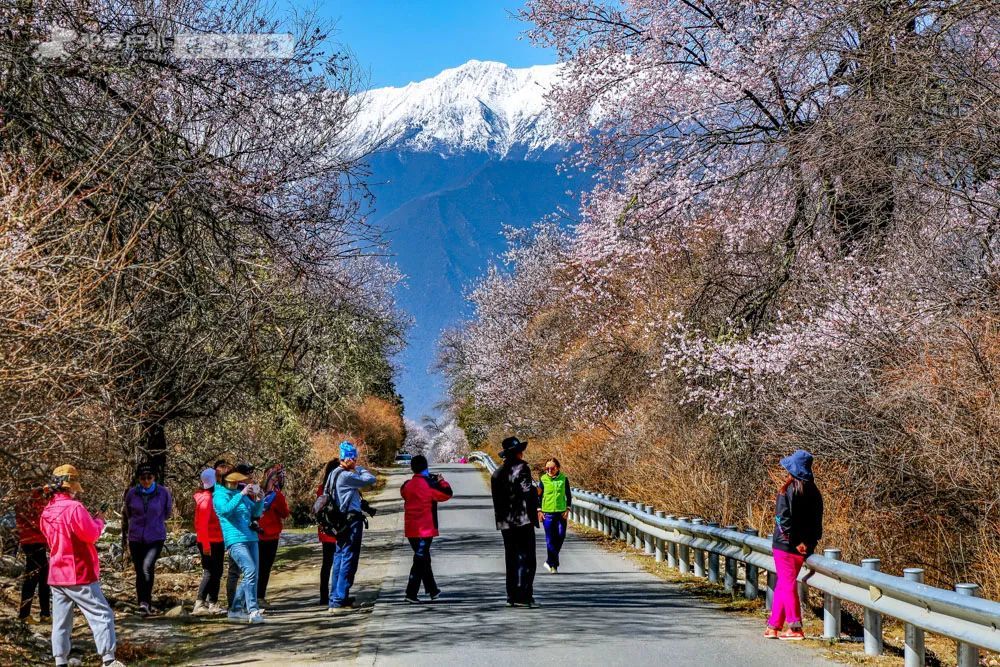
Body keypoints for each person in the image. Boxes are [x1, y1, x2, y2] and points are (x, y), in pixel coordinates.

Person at [39, 464, 125, 667]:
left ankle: (60, 660)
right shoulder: (75, 508)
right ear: (71, 486)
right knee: (102, 615)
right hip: (78, 571)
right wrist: (99, 522)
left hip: (57, 573)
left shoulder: (47, 511)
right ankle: (108, 659)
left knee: (61, 622)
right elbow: (91, 535)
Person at [764, 449, 823, 641]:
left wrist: (795, 541)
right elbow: (817, 523)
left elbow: (782, 521)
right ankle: (774, 625)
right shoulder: (814, 492)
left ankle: (795, 626)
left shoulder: (786, 491)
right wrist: (809, 543)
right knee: (784, 583)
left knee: (787, 584)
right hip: (804, 548)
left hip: (785, 546)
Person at [326, 440, 376, 612]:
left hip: (339, 522)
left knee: (339, 558)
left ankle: (336, 598)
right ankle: (339, 599)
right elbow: (370, 479)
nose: (355, 461)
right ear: (347, 459)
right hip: (350, 521)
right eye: (354, 458)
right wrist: (360, 469)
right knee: (349, 558)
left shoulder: (333, 473)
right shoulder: (347, 476)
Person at [490, 436, 539, 608]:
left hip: (505, 522)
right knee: (527, 559)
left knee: (511, 558)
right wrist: (537, 491)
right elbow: (526, 491)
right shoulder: (522, 467)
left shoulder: (496, 473)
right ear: (518, 452)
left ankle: (511, 595)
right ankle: (524, 595)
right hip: (522, 520)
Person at [400, 455, 453, 603]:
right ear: (426, 467)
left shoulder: (407, 485)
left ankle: (432, 590)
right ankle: (411, 593)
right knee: (420, 560)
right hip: (425, 529)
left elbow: (403, 491)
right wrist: (441, 481)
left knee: (423, 559)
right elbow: (447, 494)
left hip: (411, 528)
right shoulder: (430, 484)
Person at [214, 468, 265, 624]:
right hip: (235, 539)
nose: (238, 482)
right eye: (234, 480)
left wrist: (259, 500)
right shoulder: (219, 495)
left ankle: (235, 609)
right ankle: (253, 610)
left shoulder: (239, 493)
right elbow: (225, 511)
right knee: (249, 570)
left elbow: (254, 513)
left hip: (251, 537)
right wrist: (242, 494)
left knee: (253, 574)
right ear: (225, 480)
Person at [122, 463, 173, 616]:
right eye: (143, 478)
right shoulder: (132, 493)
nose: (146, 481)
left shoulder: (163, 492)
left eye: (149, 477)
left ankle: (146, 601)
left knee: (147, 567)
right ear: (138, 479)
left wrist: (155, 522)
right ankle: (142, 602)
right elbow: (128, 512)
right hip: (136, 537)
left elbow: (167, 512)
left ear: (154, 477)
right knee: (139, 570)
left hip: (156, 536)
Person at [192, 468, 226, 616]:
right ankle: (200, 602)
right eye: (218, 477)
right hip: (209, 541)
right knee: (210, 572)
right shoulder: (206, 499)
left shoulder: (214, 496)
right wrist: (205, 544)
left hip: (218, 539)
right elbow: (201, 525)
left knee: (217, 572)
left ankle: (213, 602)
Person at [16, 486, 50, 624]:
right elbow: (41, 520)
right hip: (36, 541)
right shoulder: (36, 500)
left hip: (28, 541)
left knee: (42, 576)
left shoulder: (20, 499)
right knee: (34, 577)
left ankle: (44, 613)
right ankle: (26, 615)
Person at [257, 464, 289, 608]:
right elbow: (285, 513)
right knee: (265, 568)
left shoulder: (256, 491)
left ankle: (251, 596)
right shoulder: (277, 496)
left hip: (255, 534)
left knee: (254, 567)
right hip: (270, 536)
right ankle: (259, 597)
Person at [537, 458, 572, 574]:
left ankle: (549, 560)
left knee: (561, 536)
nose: (549, 470)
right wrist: (539, 511)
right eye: (547, 468)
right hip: (548, 513)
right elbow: (539, 496)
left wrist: (568, 509)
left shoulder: (564, 478)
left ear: (558, 468)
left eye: (552, 468)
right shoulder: (543, 479)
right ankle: (553, 565)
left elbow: (568, 495)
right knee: (550, 540)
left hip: (561, 513)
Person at [316, 459, 339, 607]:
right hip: (338, 529)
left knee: (326, 564)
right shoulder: (340, 488)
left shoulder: (321, 488)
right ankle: (336, 594)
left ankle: (323, 596)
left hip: (325, 530)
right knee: (339, 563)